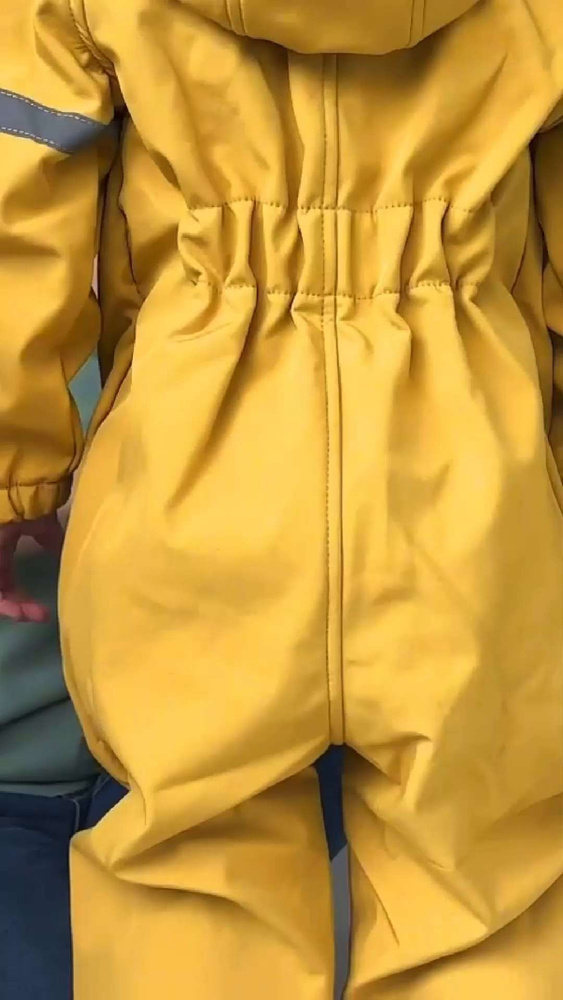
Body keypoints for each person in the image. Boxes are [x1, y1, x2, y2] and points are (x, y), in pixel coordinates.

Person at [0, 1, 562, 997]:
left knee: (191, 874)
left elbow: (16, 210)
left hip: (188, 480)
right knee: (479, 890)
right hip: (474, 488)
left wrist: (16, 473)